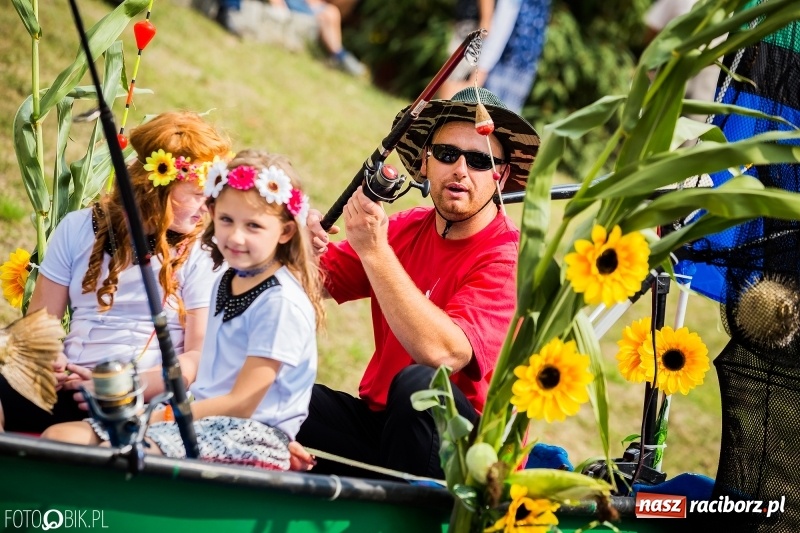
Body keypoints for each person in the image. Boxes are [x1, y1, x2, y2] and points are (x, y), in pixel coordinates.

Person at [297, 87, 540, 479]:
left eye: (480, 160)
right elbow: (309, 280)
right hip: (387, 427)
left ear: (502, 176)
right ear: (425, 163)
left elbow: (443, 354)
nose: (460, 170)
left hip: (472, 456)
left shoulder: (508, 257)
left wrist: (374, 251)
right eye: (447, 155)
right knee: (281, 392)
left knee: (422, 386)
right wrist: (295, 244)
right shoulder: (407, 227)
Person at [43, 150, 322, 472]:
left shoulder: (280, 302)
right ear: (212, 212)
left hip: (247, 434)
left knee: (112, 457)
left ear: (285, 232)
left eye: (254, 226)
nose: (236, 236)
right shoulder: (228, 279)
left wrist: (159, 415)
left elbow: (242, 403)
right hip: (198, 417)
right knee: (61, 437)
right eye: (227, 220)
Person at [0, 111, 231, 434]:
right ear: (159, 186)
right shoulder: (78, 228)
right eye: (197, 195)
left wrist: (125, 384)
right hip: (68, 382)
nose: (209, 207)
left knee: (68, 433)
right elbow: (41, 323)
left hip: (135, 398)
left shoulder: (201, 253)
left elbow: (198, 356)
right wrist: (51, 359)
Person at [269, 0, 367, 77]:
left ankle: (339, 55)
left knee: (332, 13)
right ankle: (340, 56)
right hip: (294, 5)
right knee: (329, 14)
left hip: (305, 6)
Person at [438, 0, 496, 99]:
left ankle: (443, 108)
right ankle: (443, 110)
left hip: (468, 19)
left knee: (454, 74)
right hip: (473, 23)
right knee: (455, 76)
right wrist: (486, 20)